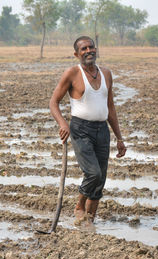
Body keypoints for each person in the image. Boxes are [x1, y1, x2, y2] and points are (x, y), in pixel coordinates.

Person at [49, 36, 126, 225]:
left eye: (91, 47)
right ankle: (79, 206)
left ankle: (89, 221)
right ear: (77, 54)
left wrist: (119, 138)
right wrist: (63, 124)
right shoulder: (72, 73)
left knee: (100, 180)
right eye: (84, 49)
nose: (89, 51)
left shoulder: (106, 73)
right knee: (93, 174)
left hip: (102, 130)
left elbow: (110, 107)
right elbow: (53, 103)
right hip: (81, 129)